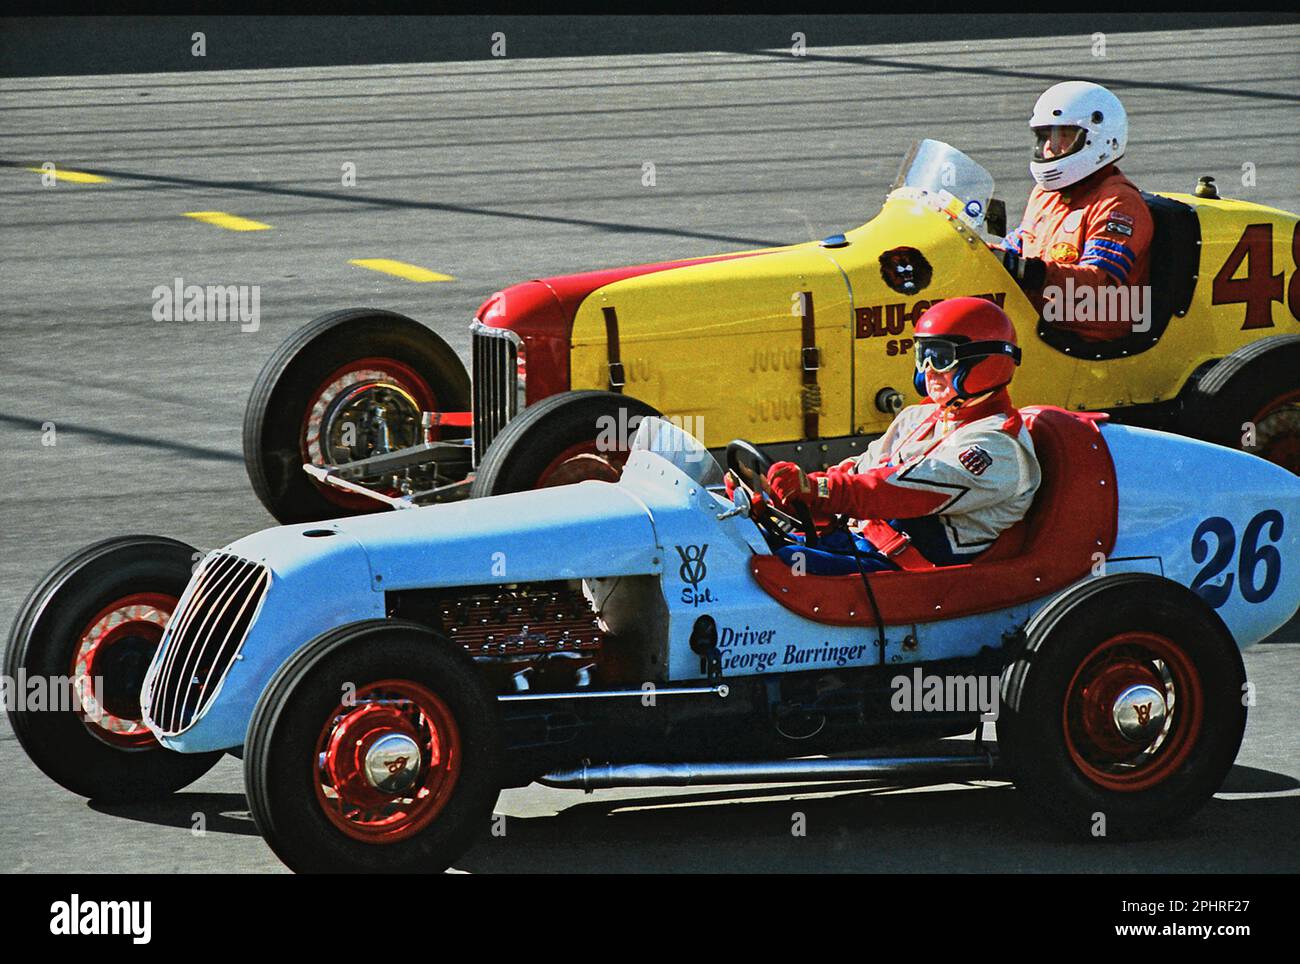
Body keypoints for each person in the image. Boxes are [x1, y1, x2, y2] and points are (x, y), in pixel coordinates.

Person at [765, 297, 1041, 573]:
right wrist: (784, 498)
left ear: (986, 362)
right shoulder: (918, 417)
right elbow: (858, 471)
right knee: (757, 541)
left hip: (912, 568)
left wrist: (819, 490)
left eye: (942, 357)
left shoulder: (995, 447)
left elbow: (898, 492)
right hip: (865, 541)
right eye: (924, 355)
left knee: (783, 564)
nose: (929, 370)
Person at [997, 81, 1153, 341]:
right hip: (1039, 320)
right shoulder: (1045, 194)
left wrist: (1028, 272)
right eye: (1045, 137)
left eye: (1063, 136)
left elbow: (1099, 286)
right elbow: (1018, 246)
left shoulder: (1118, 203)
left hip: (1086, 336)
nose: (1049, 147)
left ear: (1098, 139)